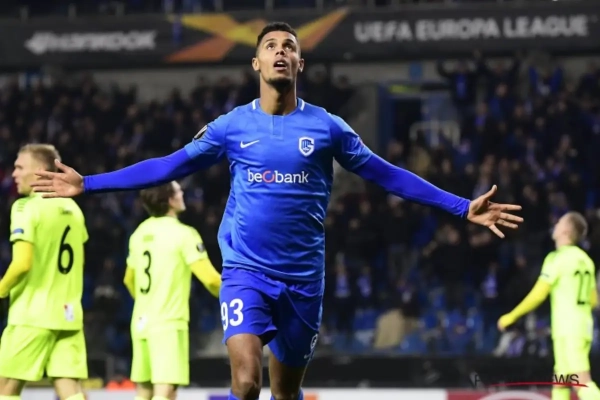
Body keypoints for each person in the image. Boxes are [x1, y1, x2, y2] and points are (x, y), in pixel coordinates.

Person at [32, 22, 523, 400]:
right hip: (246, 272)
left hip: (304, 280)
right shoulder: (231, 126)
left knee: (285, 393)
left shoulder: (327, 127)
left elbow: (386, 174)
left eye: (289, 46)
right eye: (271, 46)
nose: (281, 52)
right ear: (256, 63)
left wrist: (461, 206)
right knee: (246, 383)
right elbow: (169, 164)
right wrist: (89, 183)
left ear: (300, 64)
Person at [0, 144, 88, 400]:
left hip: (32, 315)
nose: (14, 174)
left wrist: (1, 290)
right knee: (70, 390)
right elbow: (80, 262)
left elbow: (22, 263)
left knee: (5, 388)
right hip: (69, 315)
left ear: (39, 170)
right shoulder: (74, 209)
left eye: (19, 167)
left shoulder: (25, 207)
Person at [124, 181, 221, 400]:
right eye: (178, 190)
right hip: (168, 323)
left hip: (140, 322)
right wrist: (239, 297)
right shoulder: (184, 234)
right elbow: (210, 280)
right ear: (170, 199)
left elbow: (128, 279)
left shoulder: (139, 232)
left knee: (145, 391)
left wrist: (148, 302)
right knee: (165, 391)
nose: (182, 193)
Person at [498, 212, 600, 400]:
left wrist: (511, 316)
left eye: (560, 222)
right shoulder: (586, 260)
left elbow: (538, 294)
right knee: (561, 382)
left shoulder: (557, 258)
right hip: (579, 328)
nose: (556, 224)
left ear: (566, 231)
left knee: (582, 381)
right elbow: (594, 300)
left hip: (569, 329)